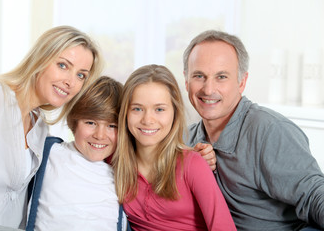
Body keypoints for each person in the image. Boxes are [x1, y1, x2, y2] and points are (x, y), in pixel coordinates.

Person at [183, 30, 324, 230]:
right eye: (199, 76)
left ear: (242, 82)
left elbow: (314, 195)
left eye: (221, 76)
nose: (208, 89)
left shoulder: (269, 131)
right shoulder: (184, 140)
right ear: (186, 80)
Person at [0, 25, 102, 229]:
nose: (70, 82)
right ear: (41, 59)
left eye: (81, 75)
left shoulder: (40, 126)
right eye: (63, 66)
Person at [112, 64, 236, 231]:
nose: (148, 120)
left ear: (174, 113)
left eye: (159, 109)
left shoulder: (193, 165)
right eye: (137, 109)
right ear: (125, 113)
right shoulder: (114, 163)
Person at [25, 76, 129, 231]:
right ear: (74, 122)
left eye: (112, 126)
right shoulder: (49, 152)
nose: (100, 135)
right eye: (90, 123)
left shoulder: (121, 174)